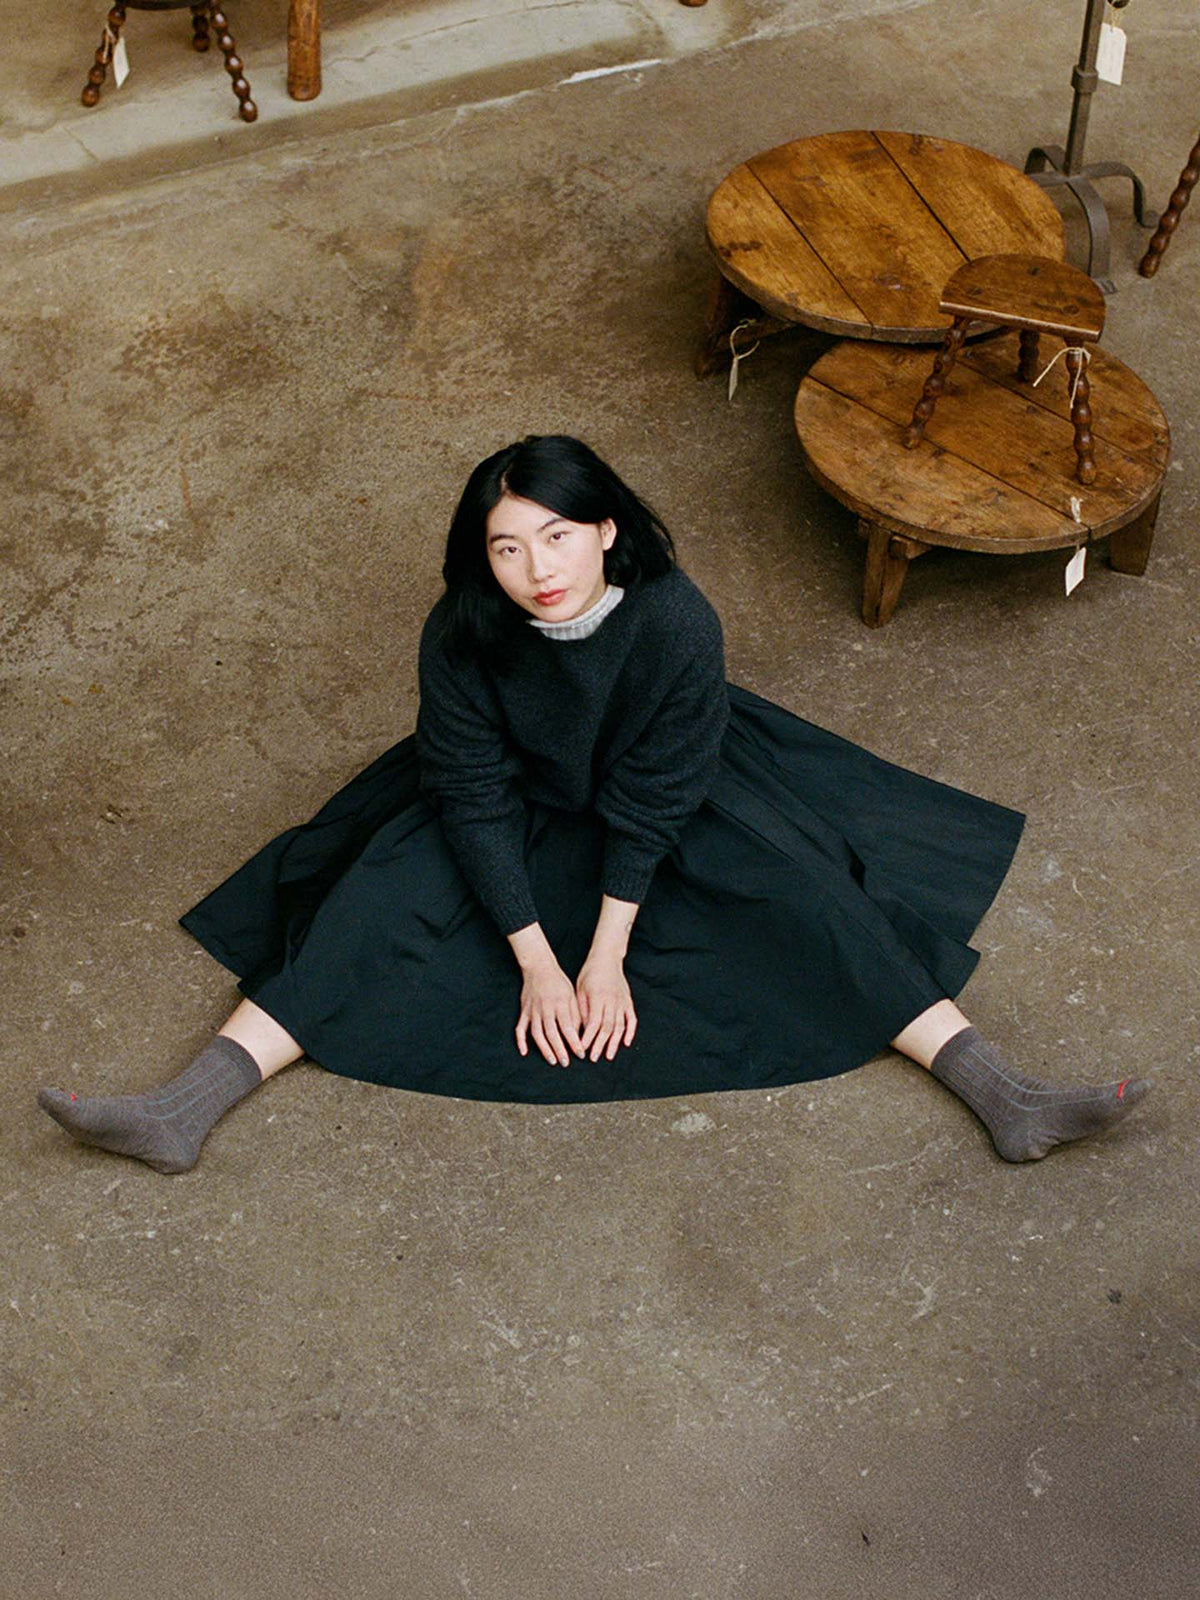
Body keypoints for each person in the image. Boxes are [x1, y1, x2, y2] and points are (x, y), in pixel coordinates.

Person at [38, 435, 1149, 1174]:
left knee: (804, 891)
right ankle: (180, 1112)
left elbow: (657, 796)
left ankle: (1007, 1094)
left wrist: (606, 950)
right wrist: (535, 957)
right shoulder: (464, 628)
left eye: (558, 535)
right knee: (375, 902)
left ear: (608, 528)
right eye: (507, 547)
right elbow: (468, 794)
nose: (537, 568)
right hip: (511, 791)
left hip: (671, 778)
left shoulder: (674, 622)